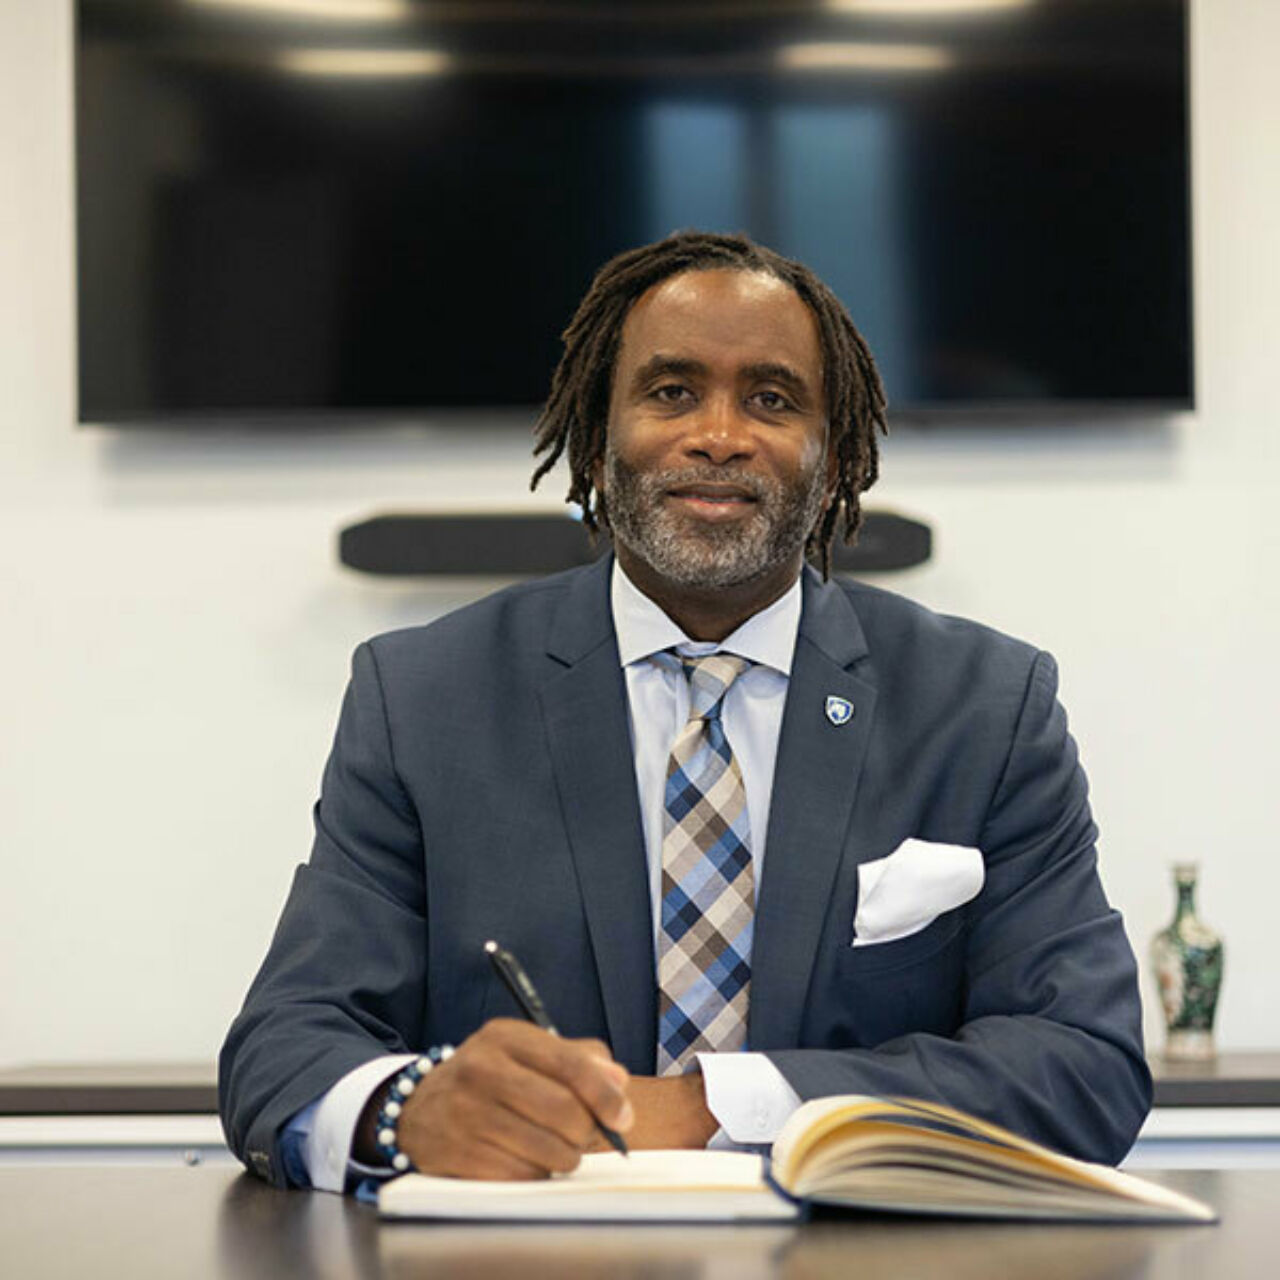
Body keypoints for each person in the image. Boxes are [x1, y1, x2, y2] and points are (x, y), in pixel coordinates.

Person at [219, 231, 1151, 1192]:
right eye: (670, 392)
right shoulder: (421, 698)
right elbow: (283, 1050)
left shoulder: (986, 708)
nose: (719, 434)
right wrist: (409, 1110)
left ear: (834, 459)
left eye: (772, 399)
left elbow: (1082, 1065)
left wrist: (715, 1104)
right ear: (597, 435)